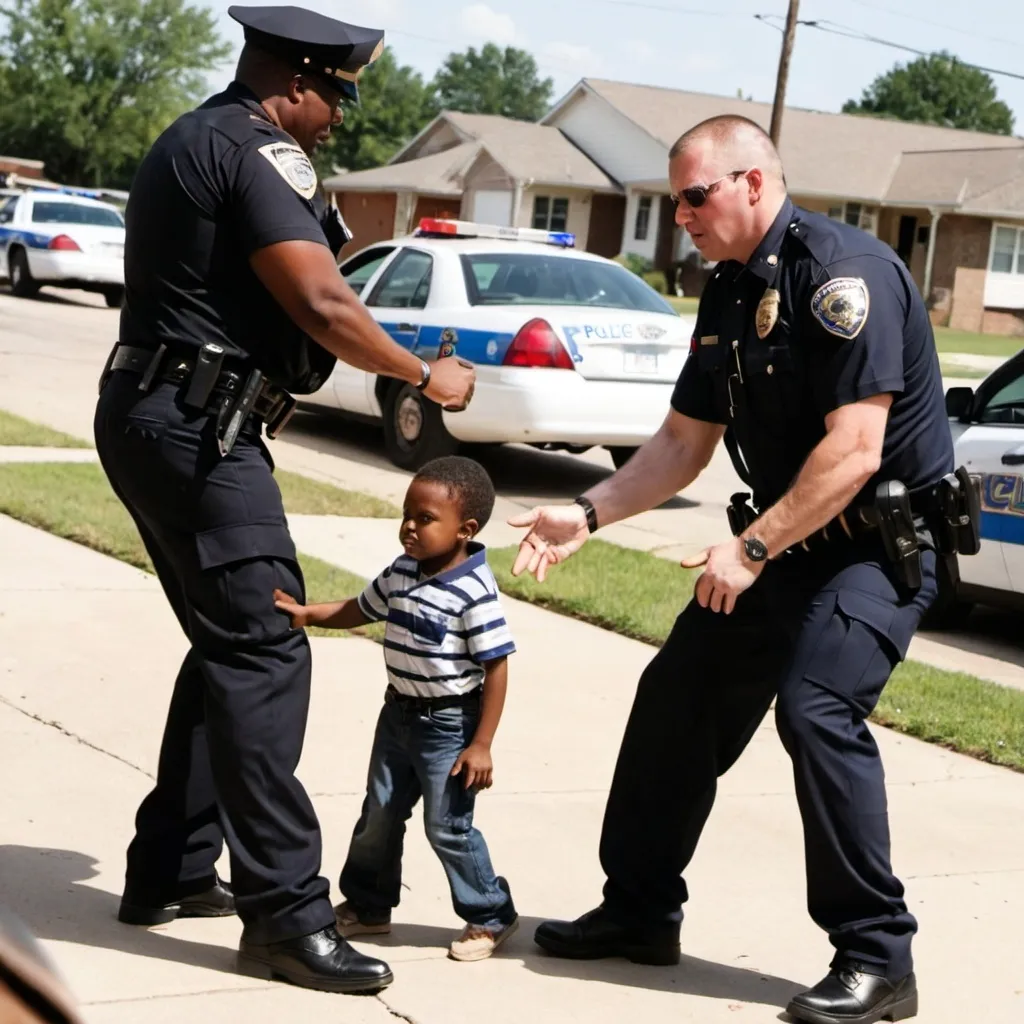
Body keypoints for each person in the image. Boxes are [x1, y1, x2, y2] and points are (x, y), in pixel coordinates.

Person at [508, 115, 972, 1024]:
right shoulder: (727, 292)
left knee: (817, 709)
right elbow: (685, 440)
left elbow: (856, 449)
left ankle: (880, 959)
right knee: (676, 692)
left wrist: (752, 547)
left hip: (876, 554)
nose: (679, 213)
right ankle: (640, 911)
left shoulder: (844, 277)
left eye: (694, 195)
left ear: (754, 183)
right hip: (784, 551)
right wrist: (589, 511)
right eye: (673, 198)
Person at [93, 4, 474, 994]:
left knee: (229, 645)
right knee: (267, 649)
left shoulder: (199, 135)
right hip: (197, 430)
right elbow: (322, 302)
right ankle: (284, 915)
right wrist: (422, 381)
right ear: (296, 81)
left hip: (162, 412)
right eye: (338, 95)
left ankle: (170, 871)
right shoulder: (256, 150)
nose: (340, 117)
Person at [274, 456, 519, 962]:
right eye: (407, 513)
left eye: (425, 519)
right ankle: (369, 906)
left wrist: (482, 744)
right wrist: (308, 615)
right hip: (398, 715)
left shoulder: (474, 592)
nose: (409, 526)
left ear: (464, 529)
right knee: (379, 814)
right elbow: (361, 608)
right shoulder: (403, 570)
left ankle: (490, 914)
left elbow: (496, 668)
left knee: (447, 825)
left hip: (450, 725)